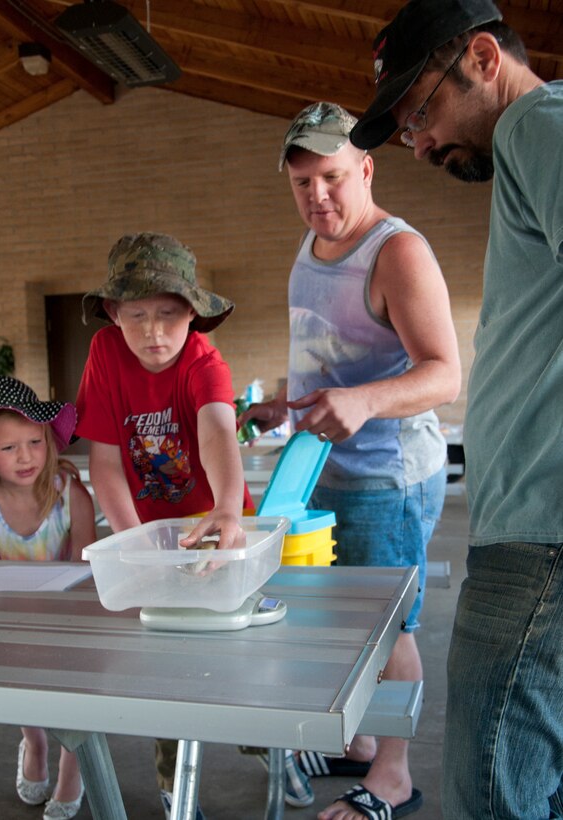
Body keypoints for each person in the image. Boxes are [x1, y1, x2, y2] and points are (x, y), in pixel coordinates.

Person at [349, 1, 563, 818]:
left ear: (481, 57)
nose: (423, 142)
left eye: (421, 112)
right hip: (532, 524)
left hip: (539, 535)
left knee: (491, 789)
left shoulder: (537, 123)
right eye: (406, 129)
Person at [240, 101, 461, 819]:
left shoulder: (396, 252)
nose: (318, 197)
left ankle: (393, 775)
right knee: (340, 620)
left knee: (387, 626)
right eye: (302, 184)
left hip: (385, 478)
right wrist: (286, 403)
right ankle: (364, 744)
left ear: (365, 168)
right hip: (320, 465)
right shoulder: (312, 245)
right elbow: (324, 359)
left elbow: (442, 375)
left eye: (332, 177)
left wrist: (363, 403)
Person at [75, 231, 253, 820]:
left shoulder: (203, 359)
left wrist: (227, 507)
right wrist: (134, 545)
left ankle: (270, 747)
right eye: (137, 315)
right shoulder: (105, 352)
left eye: (169, 315)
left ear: (194, 314)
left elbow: (216, 431)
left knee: (242, 648)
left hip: (215, 532)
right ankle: (176, 786)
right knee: (167, 663)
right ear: (112, 313)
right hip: (151, 534)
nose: (154, 332)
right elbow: (103, 461)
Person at [0, 375, 96, 820]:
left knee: (81, 689)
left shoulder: (70, 494)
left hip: (73, 617)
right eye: (8, 448)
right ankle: (35, 741)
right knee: (19, 680)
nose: (26, 457)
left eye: (35, 442)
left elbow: (85, 568)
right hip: (16, 618)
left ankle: (71, 767)